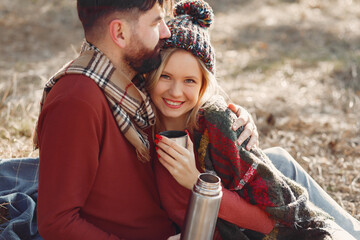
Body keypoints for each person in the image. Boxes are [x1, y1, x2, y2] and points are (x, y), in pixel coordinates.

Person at [32, 0, 259, 239]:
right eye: (156, 22)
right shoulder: (77, 100)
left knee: (281, 162)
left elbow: (187, 94)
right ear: (120, 32)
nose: (166, 31)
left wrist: (232, 117)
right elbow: (57, 222)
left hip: (182, 221)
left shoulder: (132, 80)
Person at [145, 1, 360, 239]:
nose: (175, 92)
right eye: (165, 76)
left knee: (280, 162)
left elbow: (271, 223)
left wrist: (197, 180)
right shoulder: (140, 124)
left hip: (262, 221)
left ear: (204, 86)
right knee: (279, 160)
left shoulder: (215, 127)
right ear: (150, 75)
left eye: (189, 81)